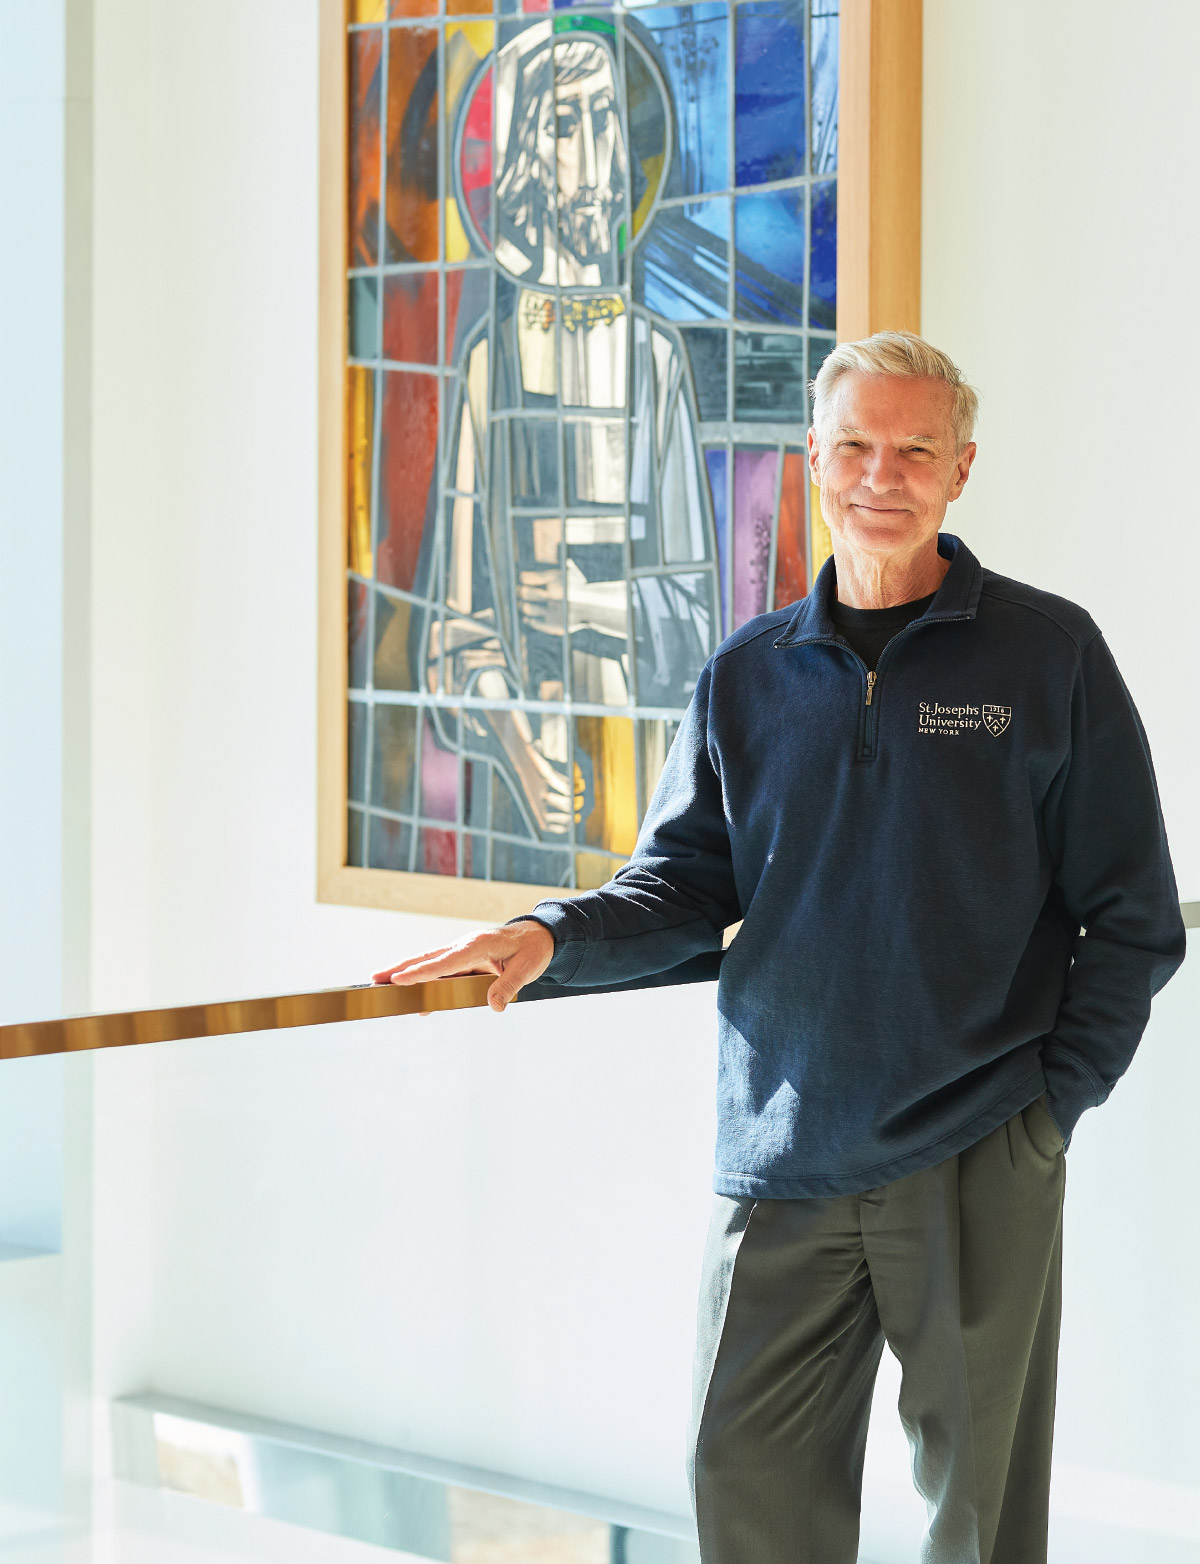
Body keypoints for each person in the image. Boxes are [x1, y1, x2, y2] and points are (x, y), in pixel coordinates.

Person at [372, 332, 1186, 1564]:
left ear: (962, 469)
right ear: (813, 457)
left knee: (979, 1520)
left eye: (915, 448)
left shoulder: (1047, 655)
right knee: (745, 1495)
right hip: (780, 1156)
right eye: (854, 443)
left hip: (978, 1150)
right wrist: (549, 933)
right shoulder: (745, 675)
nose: (882, 472)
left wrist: (1048, 1111)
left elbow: (1131, 909)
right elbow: (683, 884)